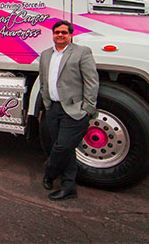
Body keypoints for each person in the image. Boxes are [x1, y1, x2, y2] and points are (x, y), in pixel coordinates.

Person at [39, 20, 99, 201]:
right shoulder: (45, 54)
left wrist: (88, 108)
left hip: (73, 109)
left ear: (70, 35)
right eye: (57, 32)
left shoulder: (81, 52)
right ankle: (68, 186)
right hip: (53, 108)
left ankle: (49, 173)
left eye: (64, 32)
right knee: (65, 149)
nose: (60, 35)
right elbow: (43, 80)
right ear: (53, 34)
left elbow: (91, 81)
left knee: (63, 147)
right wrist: (46, 103)